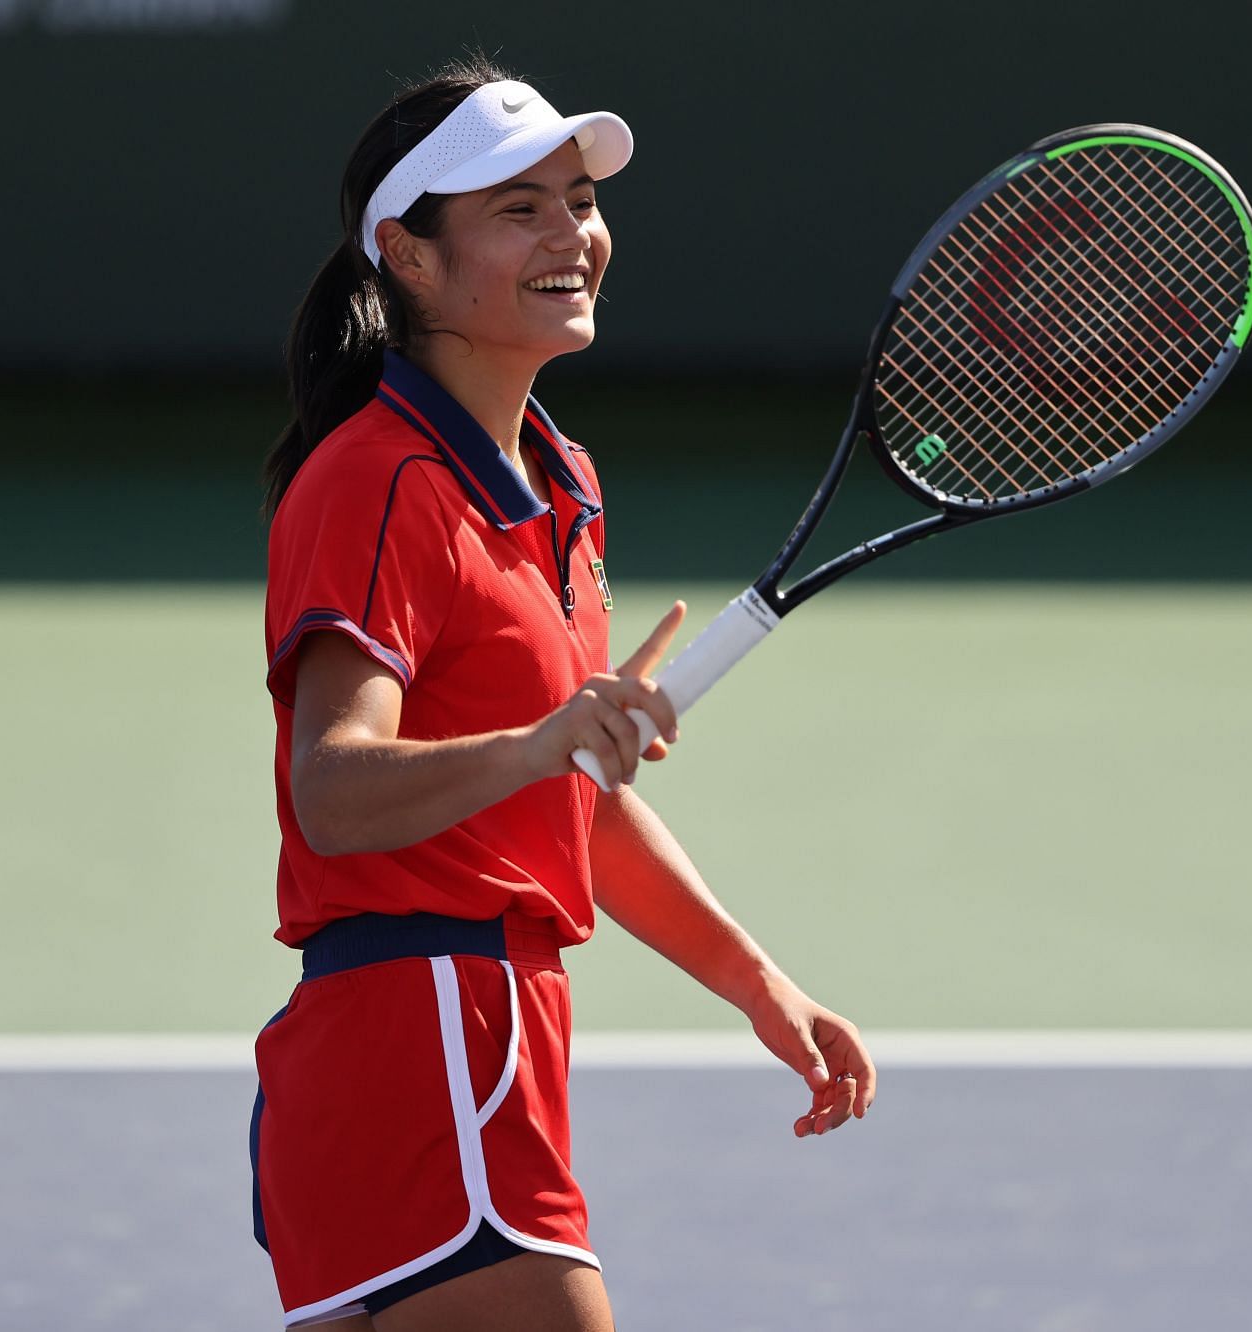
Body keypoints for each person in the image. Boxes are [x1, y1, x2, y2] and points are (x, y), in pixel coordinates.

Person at [249, 58, 877, 1331]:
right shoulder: (377, 480)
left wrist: (760, 986)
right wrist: (542, 742)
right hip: (423, 1047)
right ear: (409, 258)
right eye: (518, 207)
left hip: (482, 1047)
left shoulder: (559, 485)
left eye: (579, 198)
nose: (572, 234)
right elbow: (332, 790)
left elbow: (573, 809)